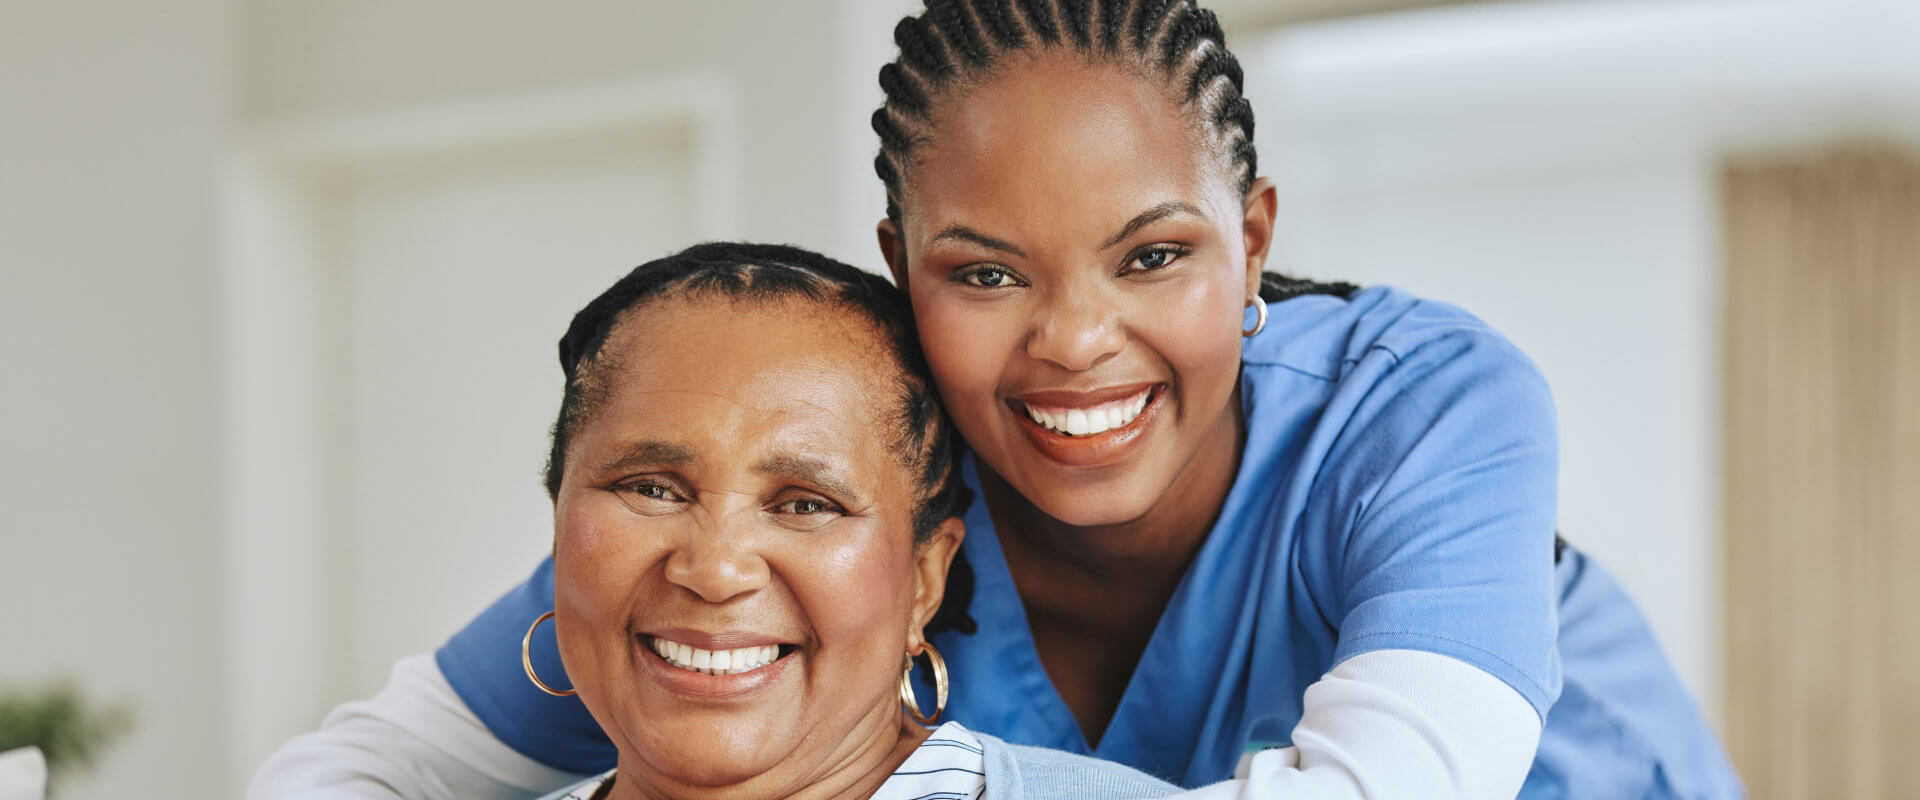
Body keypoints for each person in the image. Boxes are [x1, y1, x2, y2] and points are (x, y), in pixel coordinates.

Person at [252, 2, 1741, 798]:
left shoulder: (1421, 405)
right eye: (986, 275)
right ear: (901, 272)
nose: (1076, 345)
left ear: (1259, 242)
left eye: (1153, 257)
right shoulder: (826, 501)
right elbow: (361, 773)